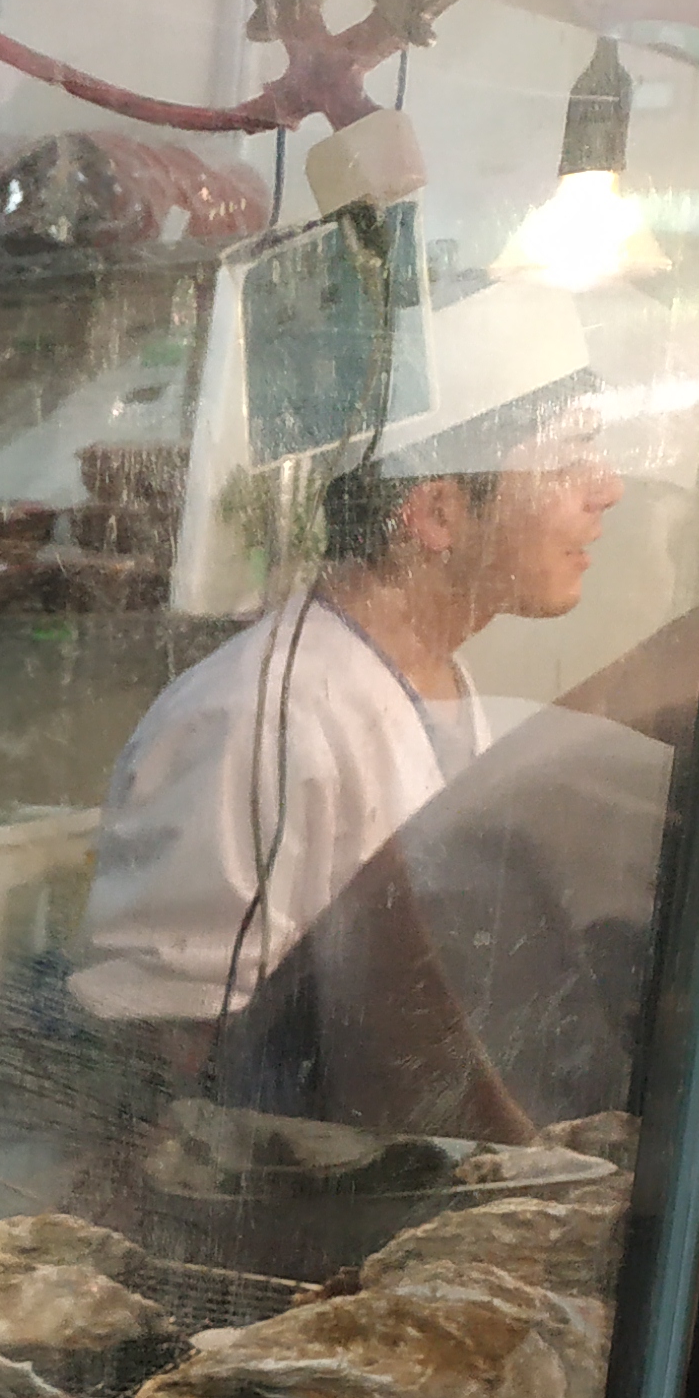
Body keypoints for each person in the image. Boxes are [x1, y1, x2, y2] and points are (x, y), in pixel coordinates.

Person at [69, 278, 623, 1087]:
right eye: (568, 459)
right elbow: (174, 1054)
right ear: (435, 514)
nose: (607, 489)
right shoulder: (257, 719)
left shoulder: (437, 679)